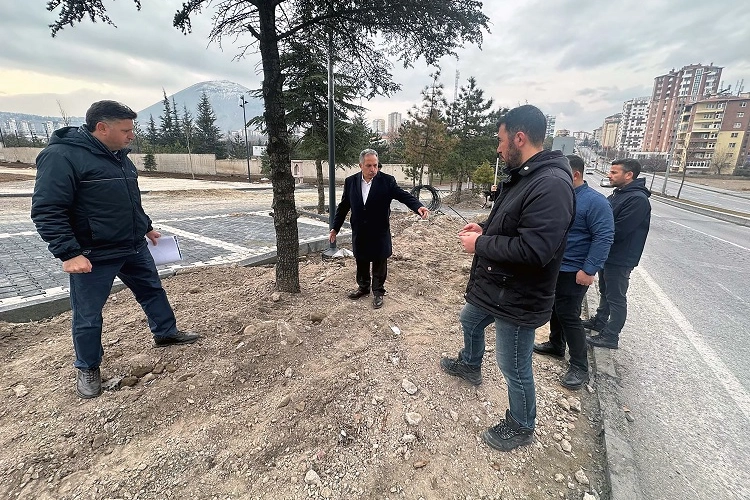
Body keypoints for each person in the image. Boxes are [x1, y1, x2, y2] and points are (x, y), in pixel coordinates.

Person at [30, 100, 201, 399]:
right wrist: (69, 253)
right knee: (88, 313)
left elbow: (129, 198)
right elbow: (47, 210)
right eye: (126, 130)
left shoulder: (119, 155)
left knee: (152, 290)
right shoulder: (61, 156)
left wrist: (145, 226)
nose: (131, 135)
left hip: (132, 245)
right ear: (102, 127)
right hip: (93, 253)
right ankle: (87, 367)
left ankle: (165, 333)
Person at [439, 105, 575, 452]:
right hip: (497, 287)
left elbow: (536, 250)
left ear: (519, 137)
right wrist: (483, 228)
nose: (498, 149)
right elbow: (515, 223)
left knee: (513, 365)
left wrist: (481, 243)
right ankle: (470, 365)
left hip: (519, 296)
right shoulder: (526, 176)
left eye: (501, 141)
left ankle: (522, 424)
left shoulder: (552, 184)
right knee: (469, 320)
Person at [534, 155, 614, 390]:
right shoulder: (562, 198)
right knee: (556, 308)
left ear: (575, 175)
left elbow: (604, 237)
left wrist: (589, 269)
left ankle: (580, 366)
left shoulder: (595, 202)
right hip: (556, 266)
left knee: (569, 314)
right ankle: (556, 344)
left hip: (575, 270)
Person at [330, 149, 428, 309]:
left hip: (379, 230)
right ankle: (363, 288)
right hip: (360, 230)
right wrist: (335, 228)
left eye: (375, 165)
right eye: (369, 166)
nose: (373, 169)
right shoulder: (351, 182)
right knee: (361, 259)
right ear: (360, 165)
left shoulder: (387, 181)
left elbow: (403, 195)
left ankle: (378, 292)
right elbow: (343, 207)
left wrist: (418, 207)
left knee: (379, 261)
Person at [585, 158, 651, 349]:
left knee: (616, 297)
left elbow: (619, 230)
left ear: (629, 175)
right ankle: (599, 321)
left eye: (614, 172)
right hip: (609, 254)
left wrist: (596, 234)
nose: (609, 175)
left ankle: (611, 336)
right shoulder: (619, 194)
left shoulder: (637, 199)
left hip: (621, 258)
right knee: (605, 292)